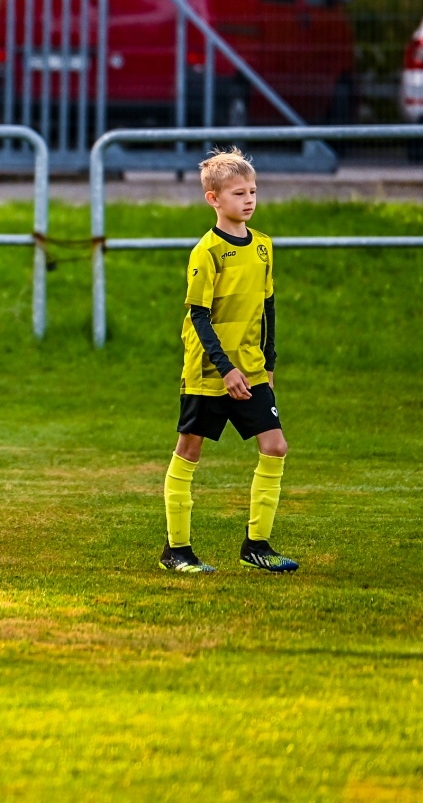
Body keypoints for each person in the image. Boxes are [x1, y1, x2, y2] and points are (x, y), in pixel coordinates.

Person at [160, 149, 298, 574]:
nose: (249, 200)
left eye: (253, 191)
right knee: (190, 449)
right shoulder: (207, 251)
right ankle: (176, 551)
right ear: (213, 199)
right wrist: (226, 368)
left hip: (252, 369)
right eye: (239, 193)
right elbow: (198, 317)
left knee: (275, 447)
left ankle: (256, 545)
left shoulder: (263, 247)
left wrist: (267, 364)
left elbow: (268, 308)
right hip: (209, 372)